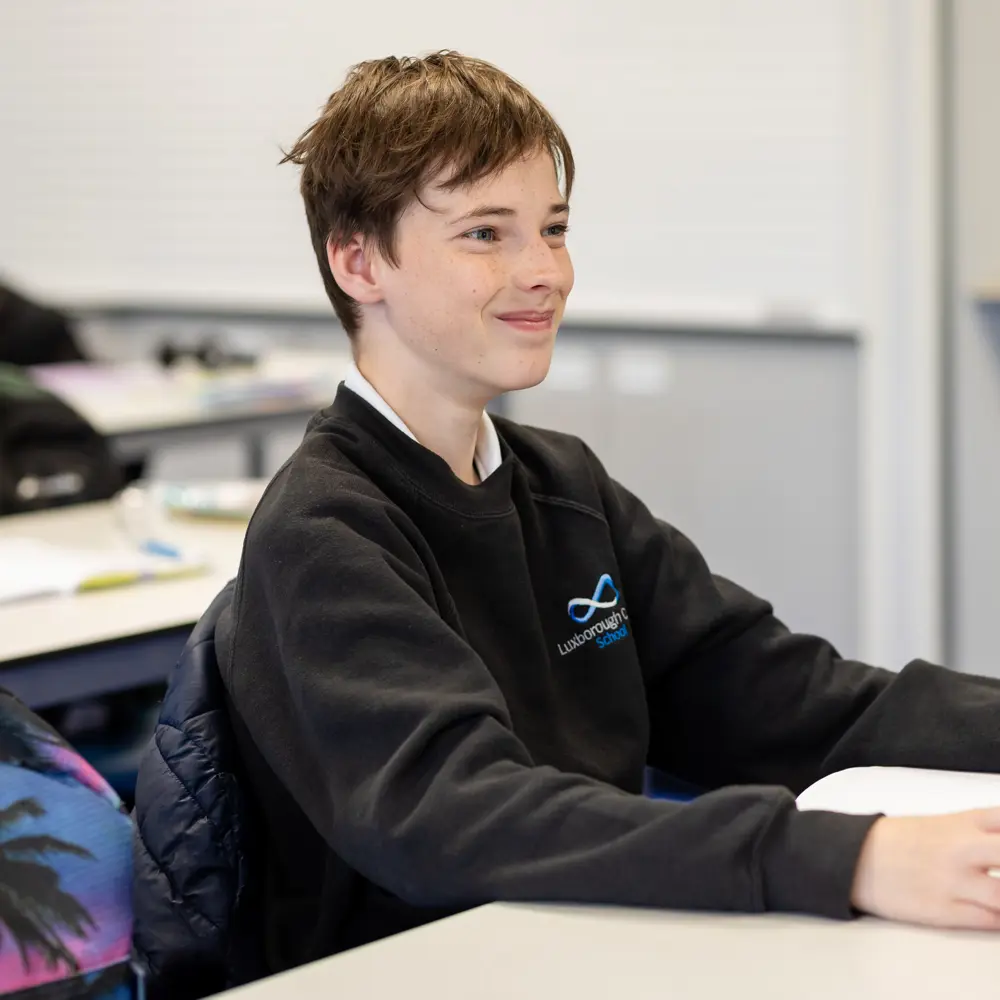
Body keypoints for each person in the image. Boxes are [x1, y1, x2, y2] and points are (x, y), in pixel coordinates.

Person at [215, 51, 1000, 973]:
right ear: (358, 262)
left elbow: (784, 700)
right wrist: (851, 858)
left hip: (580, 941)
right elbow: (463, 818)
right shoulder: (326, 529)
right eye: (485, 235)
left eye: (553, 229)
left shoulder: (560, 485)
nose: (543, 270)